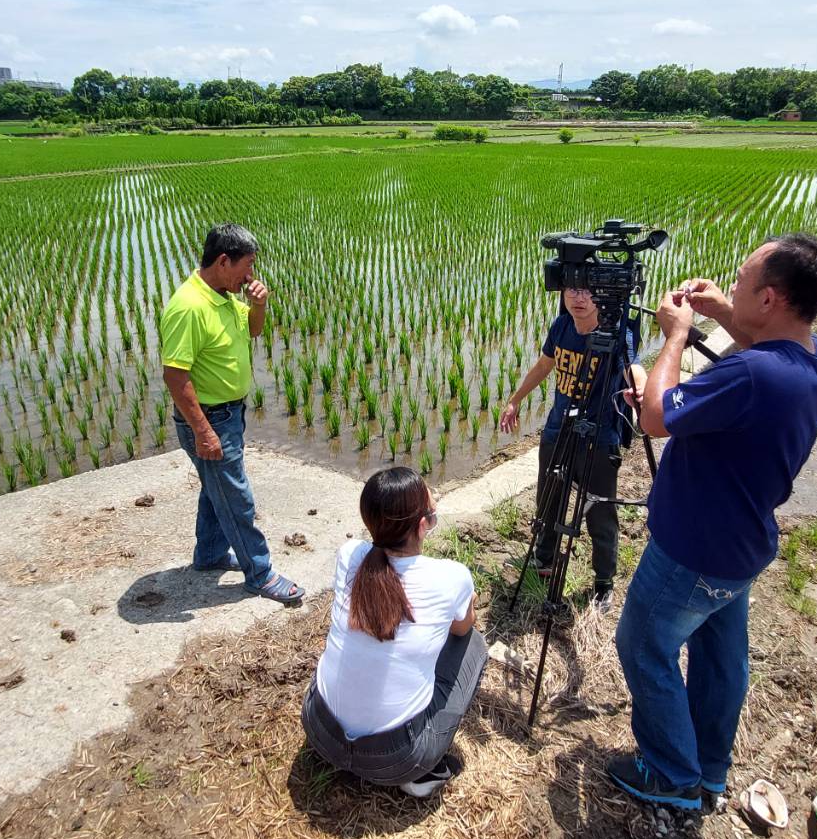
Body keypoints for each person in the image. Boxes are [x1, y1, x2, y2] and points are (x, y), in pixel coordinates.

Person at [606, 233, 817, 811]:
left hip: (692, 548)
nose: (729, 285)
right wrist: (722, 313)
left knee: (642, 647)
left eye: (741, 281)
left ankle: (671, 775)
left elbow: (659, 417)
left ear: (771, 299)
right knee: (719, 660)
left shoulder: (753, 375)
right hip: (739, 547)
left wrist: (676, 338)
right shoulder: (816, 361)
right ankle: (710, 771)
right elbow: (761, 361)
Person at [301, 467, 488, 798]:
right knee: (473, 643)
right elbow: (462, 627)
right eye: (431, 516)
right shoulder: (450, 577)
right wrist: (466, 603)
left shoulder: (349, 556)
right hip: (395, 758)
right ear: (421, 526)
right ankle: (420, 774)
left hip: (321, 732)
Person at [159, 223, 302, 604]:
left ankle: (208, 556)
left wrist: (259, 305)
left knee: (216, 489)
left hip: (228, 415)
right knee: (238, 499)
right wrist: (204, 432)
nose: (251, 274)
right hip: (209, 420)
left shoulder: (222, 296)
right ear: (224, 261)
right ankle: (260, 573)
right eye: (247, 265)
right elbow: (175, 375)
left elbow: (253, 332)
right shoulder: (189, 307)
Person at [499, 286, 646, 609]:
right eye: (573, 290)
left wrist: (642, 391)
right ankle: (545, 560)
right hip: (558, 428)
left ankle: (603, 582)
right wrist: (515, 401)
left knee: (599, 511)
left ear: (604, 297)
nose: (579, 299)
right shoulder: (562, 326)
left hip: (598, 435)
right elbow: (544, 365)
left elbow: (631, 366)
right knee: (548, 499)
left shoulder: (615, 332)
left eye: (589, 292)